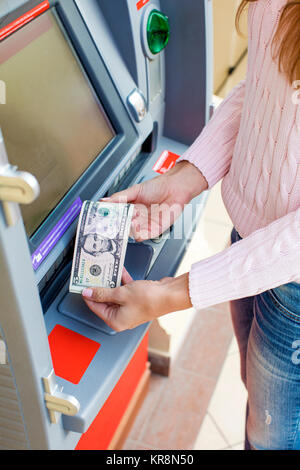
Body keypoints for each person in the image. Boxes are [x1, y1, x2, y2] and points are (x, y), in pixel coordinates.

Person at [82, 0, 300, 450]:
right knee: (258, 400)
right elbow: (267, 82)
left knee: (273, 436)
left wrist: (171, 294)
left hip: (293, 281)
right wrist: (186, 177)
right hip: (252, 245)